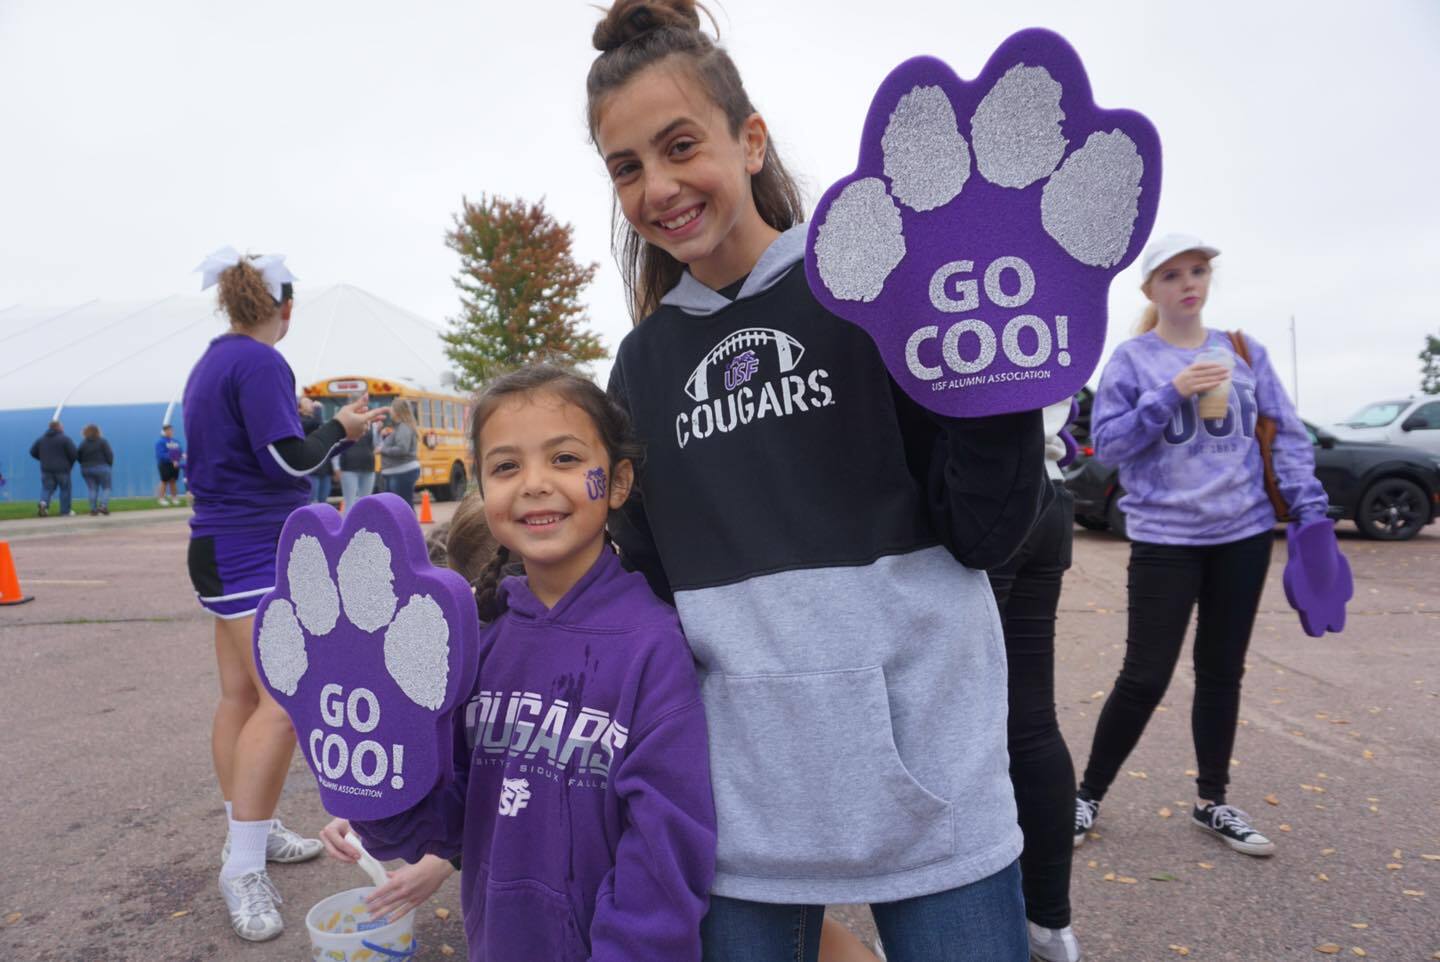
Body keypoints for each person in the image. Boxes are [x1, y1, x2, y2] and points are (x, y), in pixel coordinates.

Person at [586, 5, 1048, 960]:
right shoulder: (638, 366)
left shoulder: (881, 291)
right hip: (744, 817)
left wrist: (1003, 391)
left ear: (749, 141)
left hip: (935, 794)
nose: (659, 187)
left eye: (681, 147)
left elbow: (984, 532)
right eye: (627, 168)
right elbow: (648, 584)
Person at [346, 364, 716, 962]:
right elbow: (447, 818)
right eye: (506, 466)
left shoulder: (653, 644)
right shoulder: (479, 642)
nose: (534, 484)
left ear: (617, 482)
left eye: (565, 459)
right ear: (483, 488)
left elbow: (666, 845)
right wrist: (376, 787)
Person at [1072, 233, 1328, 860]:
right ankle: (1086, 796)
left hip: (1242, 535)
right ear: (1150, 290)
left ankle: (1213, 801)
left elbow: (1287, 434)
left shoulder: (1243, 351)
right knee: (1144, 676)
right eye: (1173, 275)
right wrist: (1172, 392)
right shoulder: (1133, 360)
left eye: (1198, 271)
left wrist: (1312, 508)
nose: (1189, 282)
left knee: (1222, 673)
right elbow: (1106, 447)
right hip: (1165, 539)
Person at [184, 246, 387, 941]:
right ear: (287, 307)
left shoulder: (216, 359)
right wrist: (341, 428)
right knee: (283, 703)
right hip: (252, 550)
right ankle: (241, 865)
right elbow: (287, 460)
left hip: (216, 546)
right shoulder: (262, 361)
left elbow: (243, 444)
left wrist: (298, 413)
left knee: (240, 696)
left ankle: (255, 826)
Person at [987, 401, 1081, 962]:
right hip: (1047, 489)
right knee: (1031, 721)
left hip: (984, 493)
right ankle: (1050, 928)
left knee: (951, 722)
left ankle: (936, 918)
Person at [378, 398, 421, 507]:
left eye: (391, 408)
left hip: (401, 472)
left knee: (402, 507)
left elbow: (402, 449)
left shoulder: (404, 428)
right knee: (399, 506)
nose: (390, 411)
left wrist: (382, 450)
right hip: (396, 472)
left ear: (398, 411)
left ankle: (408, 524)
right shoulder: (399, 427)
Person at [30, 420, 78, 517]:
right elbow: (74, 454)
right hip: (63, 469)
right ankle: (65, 511)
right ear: (59, 427)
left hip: (46, 469)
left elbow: (32, 452)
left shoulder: (41, 439)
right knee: (65, 489)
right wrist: (69, 464)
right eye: (62, 426)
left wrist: (43, 459)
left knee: (47, 488)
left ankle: (44, 503)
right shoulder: (65, 439)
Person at [338, 398, 378, 511]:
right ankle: (349, 528)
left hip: (368, 467)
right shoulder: (344, 424)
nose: (363, 409)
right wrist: (336, 467)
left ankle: (364, 527)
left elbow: (375, 444)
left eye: (364, 407)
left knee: (366, 502)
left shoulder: (372, 425)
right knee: (349, 502)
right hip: (348, 468)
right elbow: (337, 446)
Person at [298, 396, 336, 503]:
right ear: (299, 409)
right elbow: (315, 423)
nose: (311, 402)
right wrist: (318, 408)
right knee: (311, 501)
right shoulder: (300, 422)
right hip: (312, 470)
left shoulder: (318, 421)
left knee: (323, 500)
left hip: (325, 468)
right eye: (307, 402)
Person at [77, 424, 115, 516]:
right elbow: (109, 454)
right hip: (102, 467)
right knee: (106, 487)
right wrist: (109, 465)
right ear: (98, 431)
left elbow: (78, 456)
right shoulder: (102, 441)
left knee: (92, 489)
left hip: (86, 468)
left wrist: (84, 464)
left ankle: (93, 509)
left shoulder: (83, 443)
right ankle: (103, 505)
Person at [155, 424, 183, 505]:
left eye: (171, 430)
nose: (171, 431)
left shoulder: (176, 441)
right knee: (164, 481)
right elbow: (160, 454)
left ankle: (174, 498)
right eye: (169, 430)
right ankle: (161, 499)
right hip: (164, 464)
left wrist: (179, 458)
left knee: (173, 481)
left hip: (175, 464)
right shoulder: (160, 442)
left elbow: (179, 451)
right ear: (164, 431)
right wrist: (172, 459)